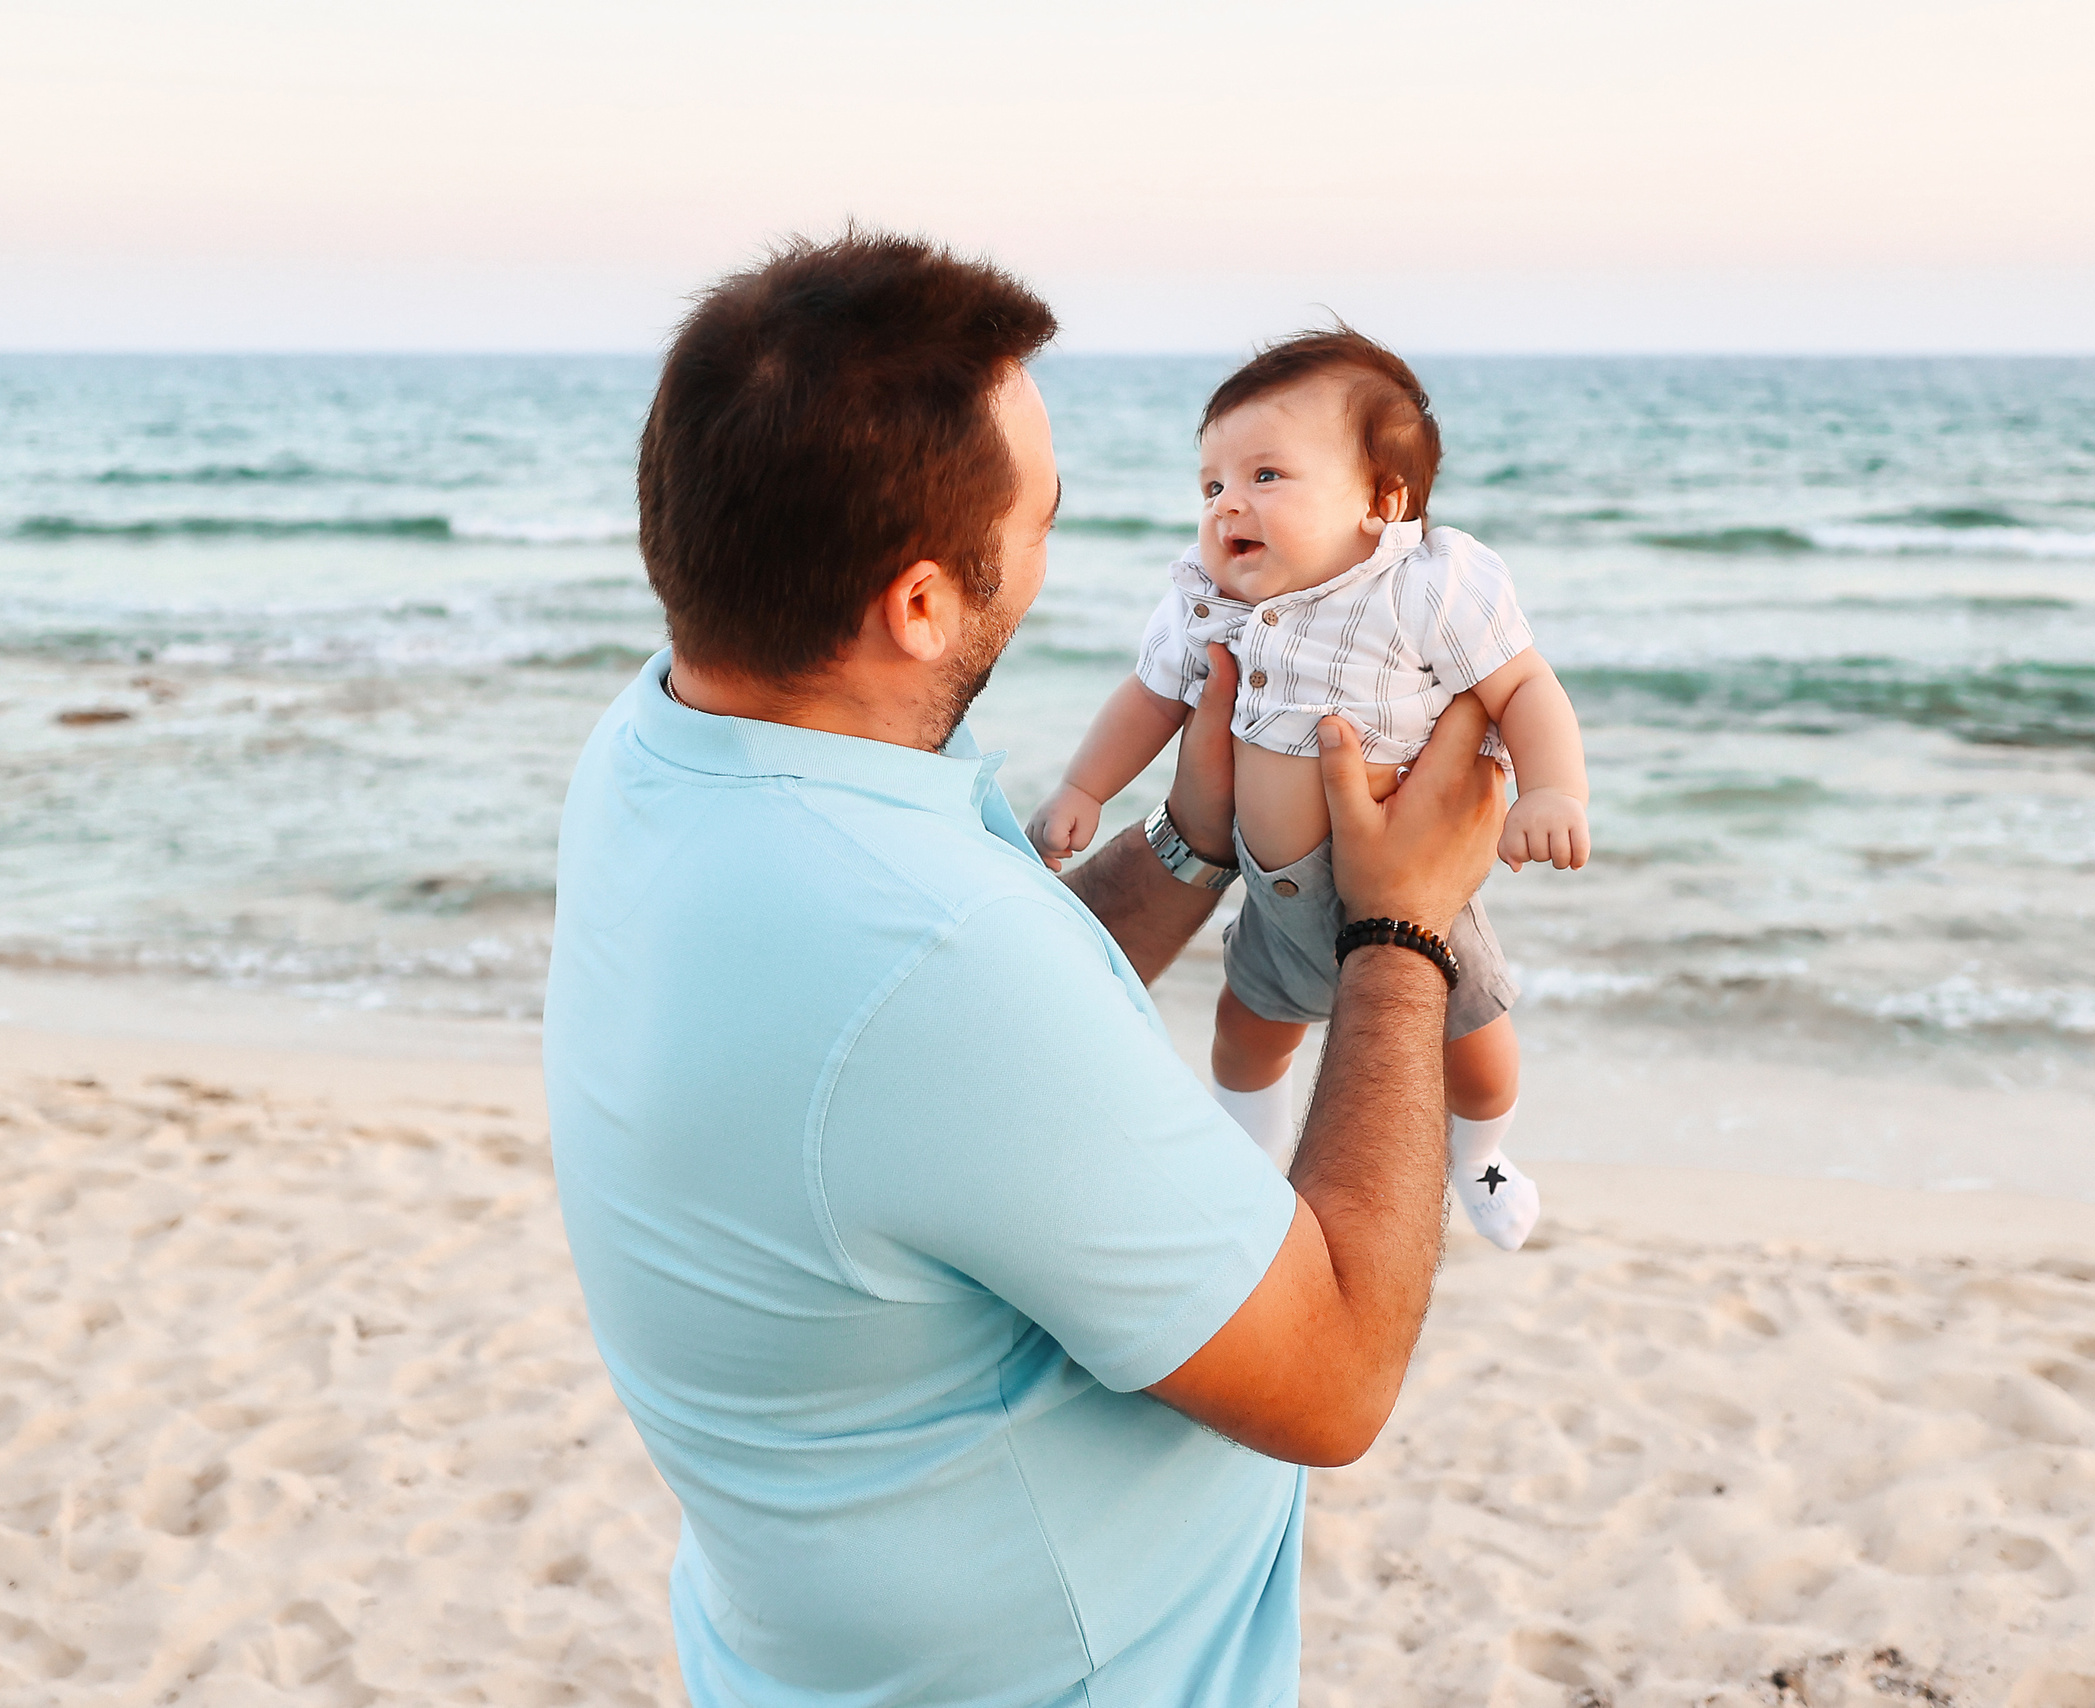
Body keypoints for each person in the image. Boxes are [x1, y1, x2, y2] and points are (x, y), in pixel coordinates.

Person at [542, 229, 1507, 1708]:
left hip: (805, 1642)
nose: (1082, 550)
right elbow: (1334, 1379)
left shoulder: (671, 747)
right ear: (922, 604)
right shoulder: (933, 955)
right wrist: (1403, 927)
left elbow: (928, 1036)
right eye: (1046, 518)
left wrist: (1189, 840)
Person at [1026, 329, 1589, 1250]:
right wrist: (1085, 787)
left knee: (1481, 1056)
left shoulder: (1424, 588)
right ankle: (1250, 1166)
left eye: (1266, 477)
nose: (1227, 505)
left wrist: (1554, 792)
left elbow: (1523, 686)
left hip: (1422, 902)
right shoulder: (1209, 602)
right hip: (1278, 904)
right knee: (1243, 1037)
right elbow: (1152, 697)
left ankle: (1481, 1157)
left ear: (1382, 500)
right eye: (1211, 485)